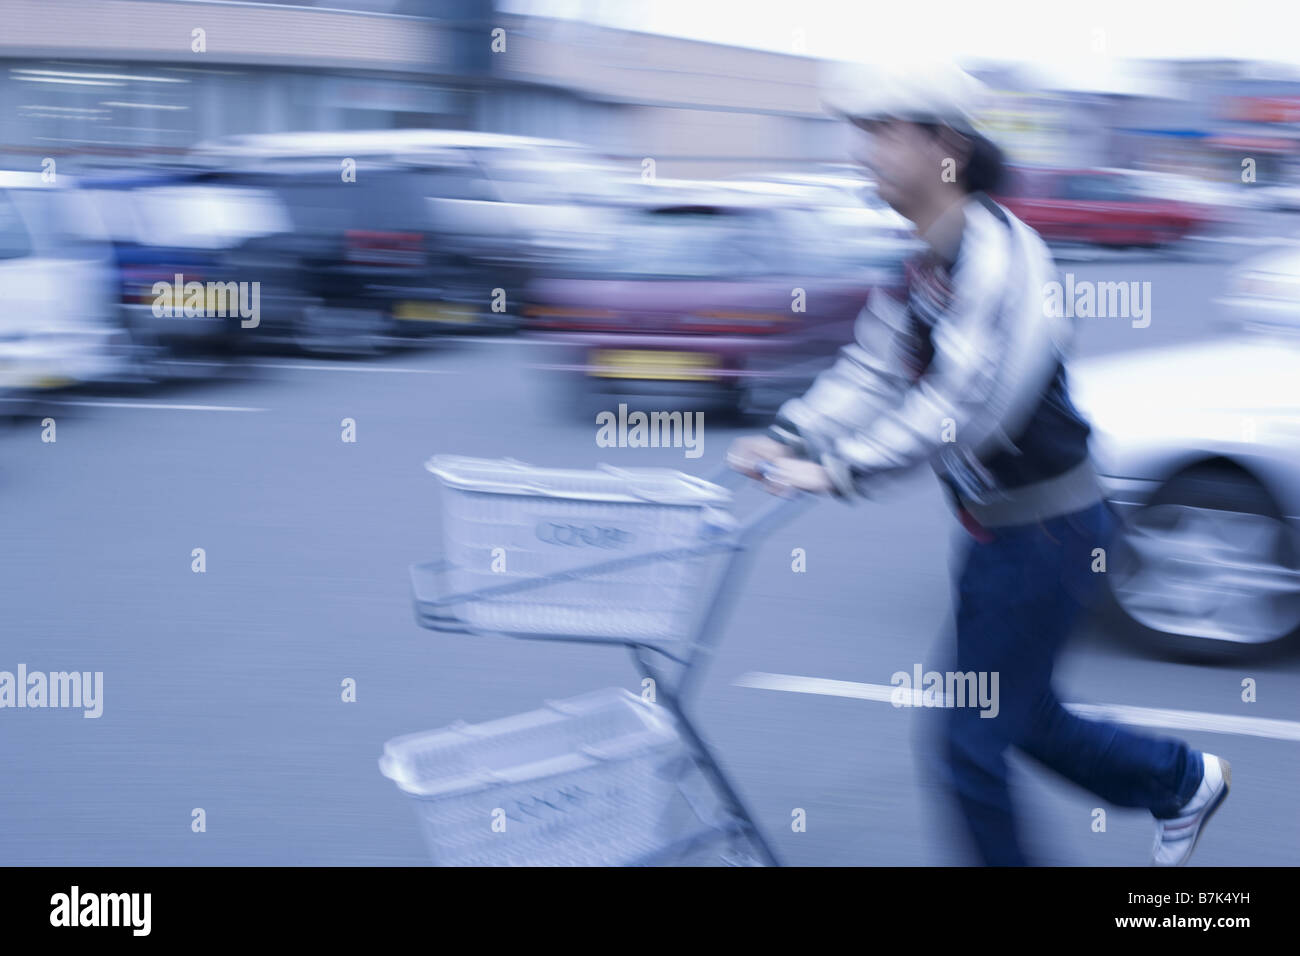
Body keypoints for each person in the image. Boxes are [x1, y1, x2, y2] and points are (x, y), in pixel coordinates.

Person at [726, 61, 1230, 866]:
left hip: (1048, 533)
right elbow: (872, 370)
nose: (863, 153)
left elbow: (965, 405)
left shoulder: (999, 257)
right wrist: (793, 434)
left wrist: (843, 470)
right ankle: (1179, 781)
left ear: (947, 147)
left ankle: (1177, 782)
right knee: (1019, 717)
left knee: (969, 743)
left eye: (884, 132)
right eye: (860, 133)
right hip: (1002, 533)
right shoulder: (923, 262)